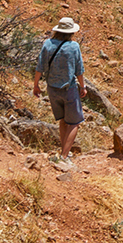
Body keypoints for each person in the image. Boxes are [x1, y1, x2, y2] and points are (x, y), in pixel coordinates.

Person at [34, 16, 86, 169]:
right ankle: (64, 157)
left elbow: (40, 66)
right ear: (71, 32)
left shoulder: (48, 44)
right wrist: (82, 87)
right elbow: (79, 70)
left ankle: (65, 151)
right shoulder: (74, 46)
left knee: (63, 120)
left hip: (52, 89)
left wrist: (36, 85)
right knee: (75, 122)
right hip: (68, 88)